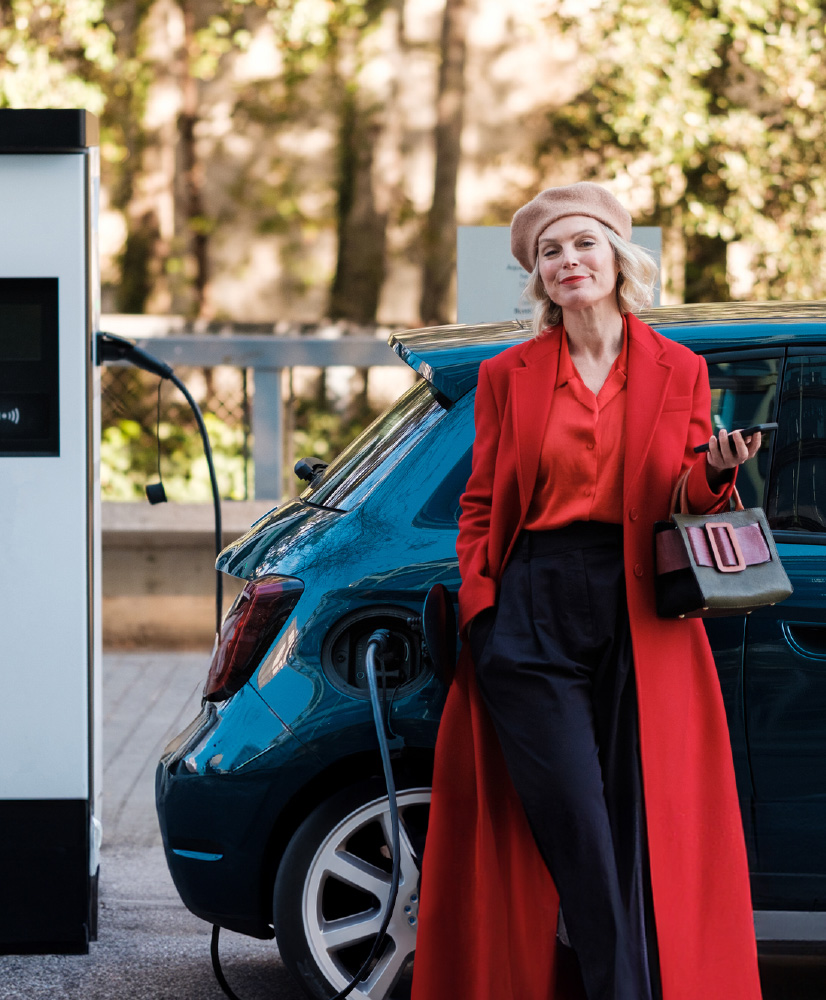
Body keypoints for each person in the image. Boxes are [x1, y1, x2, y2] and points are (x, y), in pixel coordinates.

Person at [410, 183, 764, 1000]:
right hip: (531, 607)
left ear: (616, 258)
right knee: (576, 825)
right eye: (550, 253)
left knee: (641, 827)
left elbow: (682, 495)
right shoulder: (510, 375)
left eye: (583, 245)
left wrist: (714, 473)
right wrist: (482, 607)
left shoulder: (680, 368)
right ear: (540, 279)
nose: (568, 261)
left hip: (639, 606)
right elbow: (480, 503)